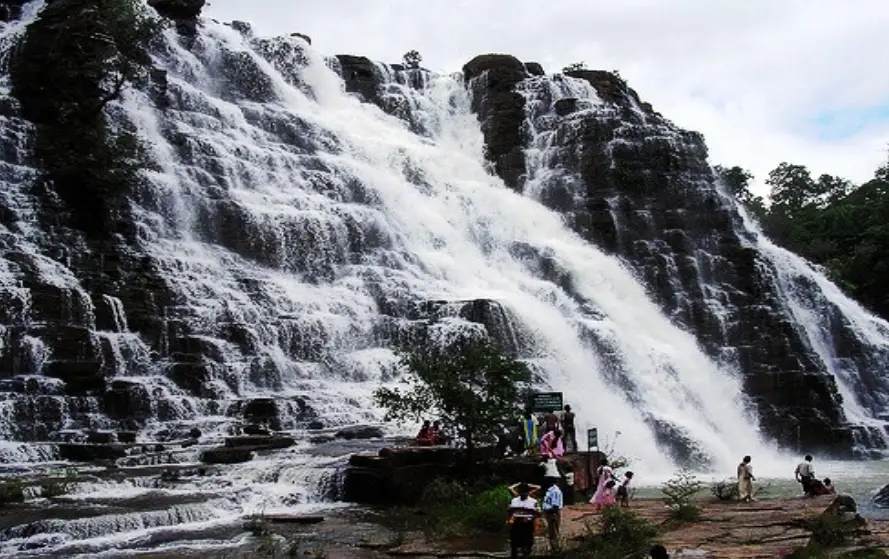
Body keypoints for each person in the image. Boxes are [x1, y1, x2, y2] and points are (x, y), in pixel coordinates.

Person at [507, 483, 540, 559]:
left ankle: (526, 554)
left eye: (524, 492)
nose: (523, 494)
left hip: (527, 524)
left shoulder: (533, 501)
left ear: (528, 492)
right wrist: (509, 520)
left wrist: (536, 524)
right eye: (521, 492)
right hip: (516, 525)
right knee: (514, 545)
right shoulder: (514, 500)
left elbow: (537, 514)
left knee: (527, 544)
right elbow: (510, 512)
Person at [542, 478, 564, 552]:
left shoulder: (555, 491)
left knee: (554, 532)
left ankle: (556, 548)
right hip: (550, 512)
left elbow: (555, 506)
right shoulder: (550, 490)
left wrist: (545, 510)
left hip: (553, 513)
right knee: (551, 532)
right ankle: (554, 548)